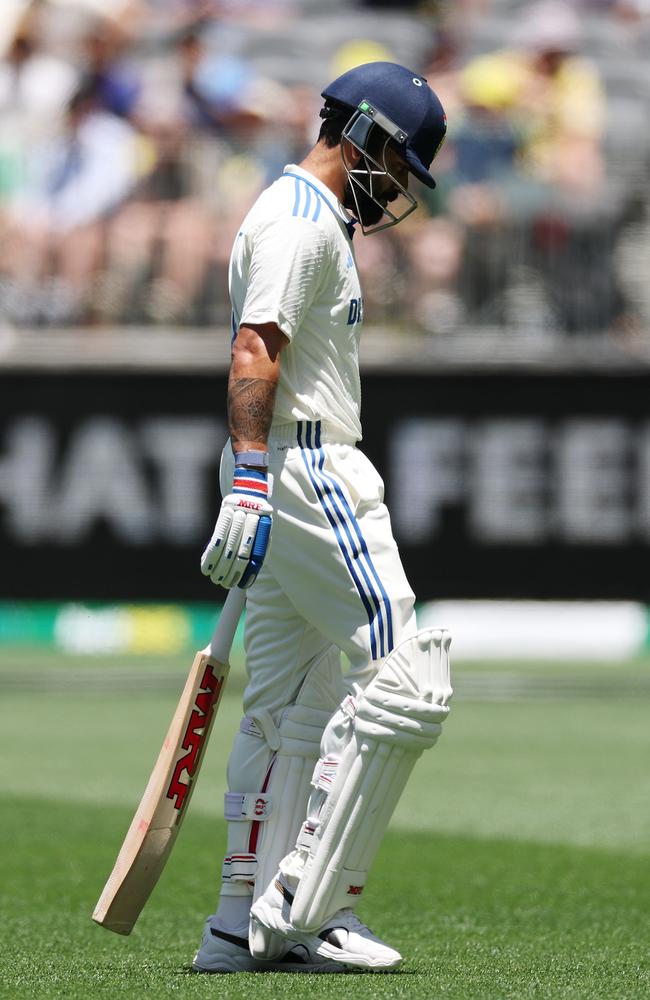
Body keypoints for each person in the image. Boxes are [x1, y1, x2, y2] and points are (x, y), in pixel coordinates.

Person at [194, 61, 453, 974]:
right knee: (410, 678)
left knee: (287, 705)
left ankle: (236, 924)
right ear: (367, 135)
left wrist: (251, 478)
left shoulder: (297, 216)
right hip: (310, 464)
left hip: (288, 466)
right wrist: (257, 480)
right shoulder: (302, 224)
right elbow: (255, 350)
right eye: (399, 161)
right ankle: (315, 899)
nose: (398, 188)